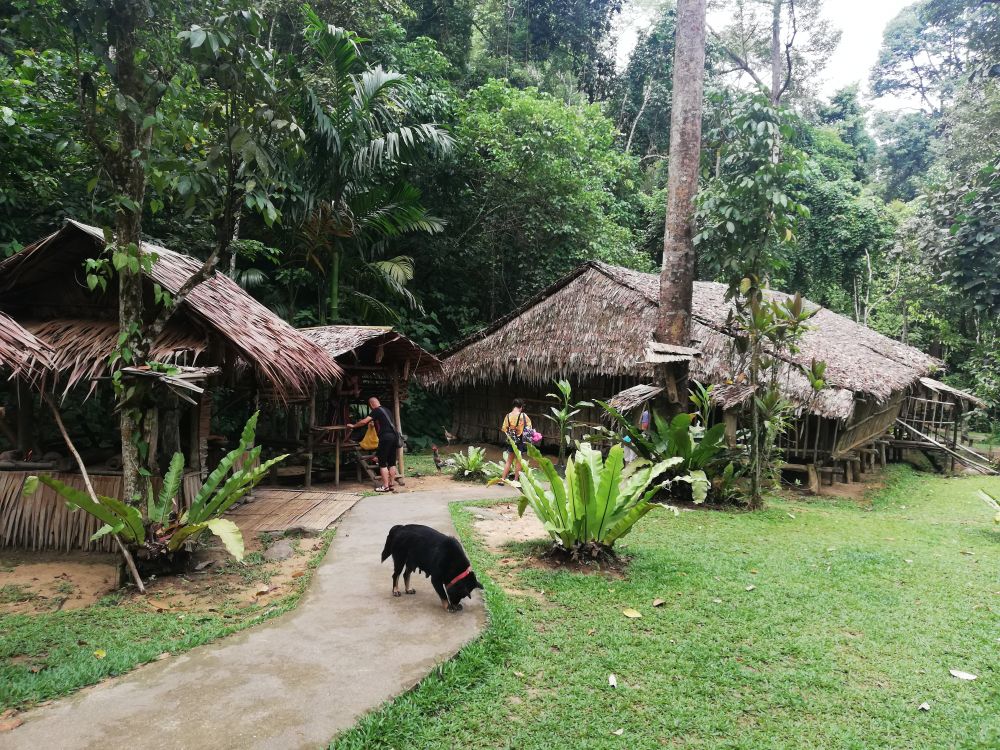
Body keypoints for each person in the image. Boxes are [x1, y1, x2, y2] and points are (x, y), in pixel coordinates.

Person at [348, 396, 400, 492]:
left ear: (371, 404)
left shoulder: (376, 410)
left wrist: (353, 426)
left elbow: (364, 421)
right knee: (392, 462)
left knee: (382, 463)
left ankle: (385, 486)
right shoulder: (387, 410)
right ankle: (391, 483)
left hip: (385, 438)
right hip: (394, 437)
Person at [499, 398, 532, 483]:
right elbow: (529, 427)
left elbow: (504, 429)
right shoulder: (523, 416)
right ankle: (515, 480)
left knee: (509, 460)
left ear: (513, 406)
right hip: (520, 440)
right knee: (519, 460)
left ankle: (502, 479)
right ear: (521, 407)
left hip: (511, 440)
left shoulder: (508, 416)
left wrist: (512, 432)